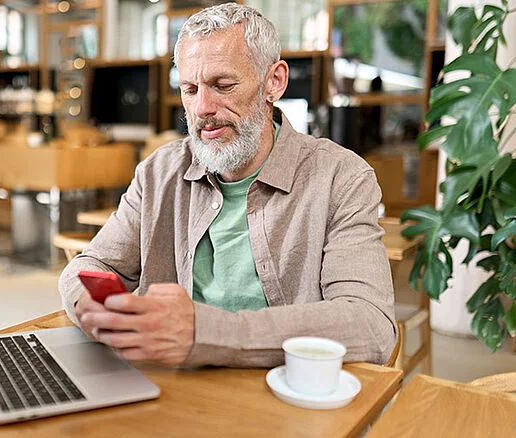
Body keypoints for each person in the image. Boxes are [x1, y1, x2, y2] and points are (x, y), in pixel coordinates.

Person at [58, 3, 396, 368]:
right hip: (169, 390)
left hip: (287, 395)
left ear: (274, 82)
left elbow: (370, 324)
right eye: (189, 89)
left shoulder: (341, 178)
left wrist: (206, 333)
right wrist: (94, 312)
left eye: (223, 85)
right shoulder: (159, 172)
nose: (202, 107)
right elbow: (89, 266)